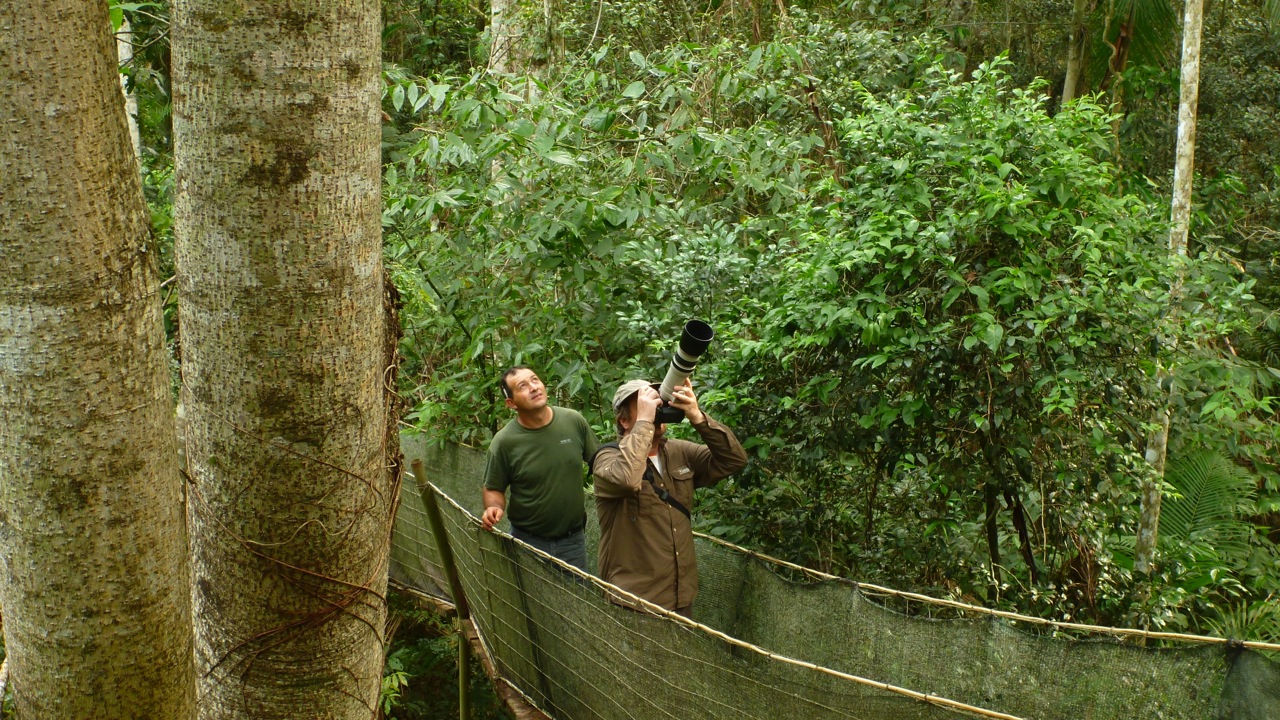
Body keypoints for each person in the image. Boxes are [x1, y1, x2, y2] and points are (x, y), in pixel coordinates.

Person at [591, 378, 747, 617]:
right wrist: (644, 421)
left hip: (681, 596)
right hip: (634, 602)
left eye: (657, 402)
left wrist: (697, 416)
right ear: (624, 420)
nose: (656, 409)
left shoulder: (678, 451)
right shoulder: (608, 459)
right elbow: (627, 479)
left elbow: (733, 460)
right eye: (645, 403)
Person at [482, 367, 600, 573]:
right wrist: (494, 508)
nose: (534, 387)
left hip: (573, 541)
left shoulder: (573, 421)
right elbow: (493, 487)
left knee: (575, 602)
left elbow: (600, 463)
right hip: (527, 543)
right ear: (511, 403)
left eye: (535, 380)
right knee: (530, 603)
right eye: (523, 386)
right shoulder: (504, 442)